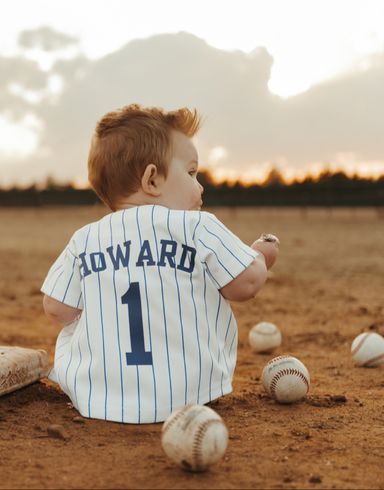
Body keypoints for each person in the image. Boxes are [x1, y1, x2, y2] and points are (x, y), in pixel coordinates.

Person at [41, 104, 279, 423]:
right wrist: (260, 255)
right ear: (152, 179)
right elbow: (245, 284)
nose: (200, 186)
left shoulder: (84, 239)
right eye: (192, 173)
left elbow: (57, 308)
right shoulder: (198, 226)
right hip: (190, 394)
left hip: (99, 401)